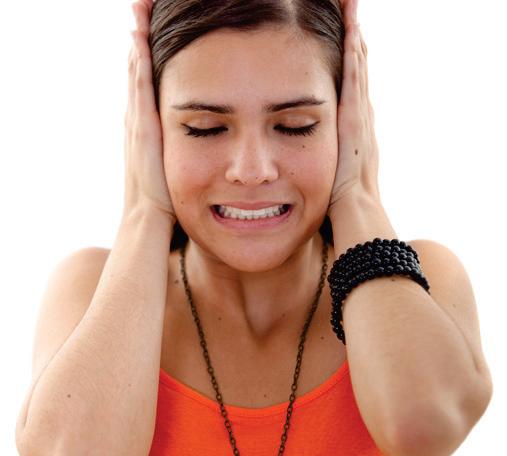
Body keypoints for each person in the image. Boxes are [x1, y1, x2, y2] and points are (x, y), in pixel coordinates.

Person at [15, 0, 493, 455]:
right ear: (151, 131)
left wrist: (357, 194)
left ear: (348, 123)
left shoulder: (421, 280)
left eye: (296, 125)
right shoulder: (89, 290)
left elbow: (421, 428)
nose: (252, 170)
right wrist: (145, 209)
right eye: (204, 128)